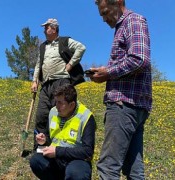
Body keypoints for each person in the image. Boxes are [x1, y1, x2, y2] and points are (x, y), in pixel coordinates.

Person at [88, 0, 152, 179]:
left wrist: (108, 73)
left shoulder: (133, 21)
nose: (104, 18)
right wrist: (105, 71)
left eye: (105, 12)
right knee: (134, 170)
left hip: (124, 105)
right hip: (134, 106)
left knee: (108, 167)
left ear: (118, 2)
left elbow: (139, 59)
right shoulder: (124, 26)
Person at [31, 18, 86, 150]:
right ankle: (40, 147)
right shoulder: (43, 46)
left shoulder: (64, 41)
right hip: (46, 85)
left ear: (54, 29)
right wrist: (34, 80)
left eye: (46, 27)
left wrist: (70, 65)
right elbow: (39, 64)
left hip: (62, 82)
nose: (44, 30)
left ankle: (61, 147)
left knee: (61, 113)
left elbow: (81, 48)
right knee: (41, 115)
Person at [29, 84, 96, 180]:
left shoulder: (86, 117)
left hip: (76, 160)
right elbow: (50, 137)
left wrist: (58, 151)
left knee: (76, 174)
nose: (56, 106)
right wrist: (44, 140)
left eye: (60, 103)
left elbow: (88, 152)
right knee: (36, 160)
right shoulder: (53, 112)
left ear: (72, 105)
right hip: (56, 159)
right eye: (56, 102)